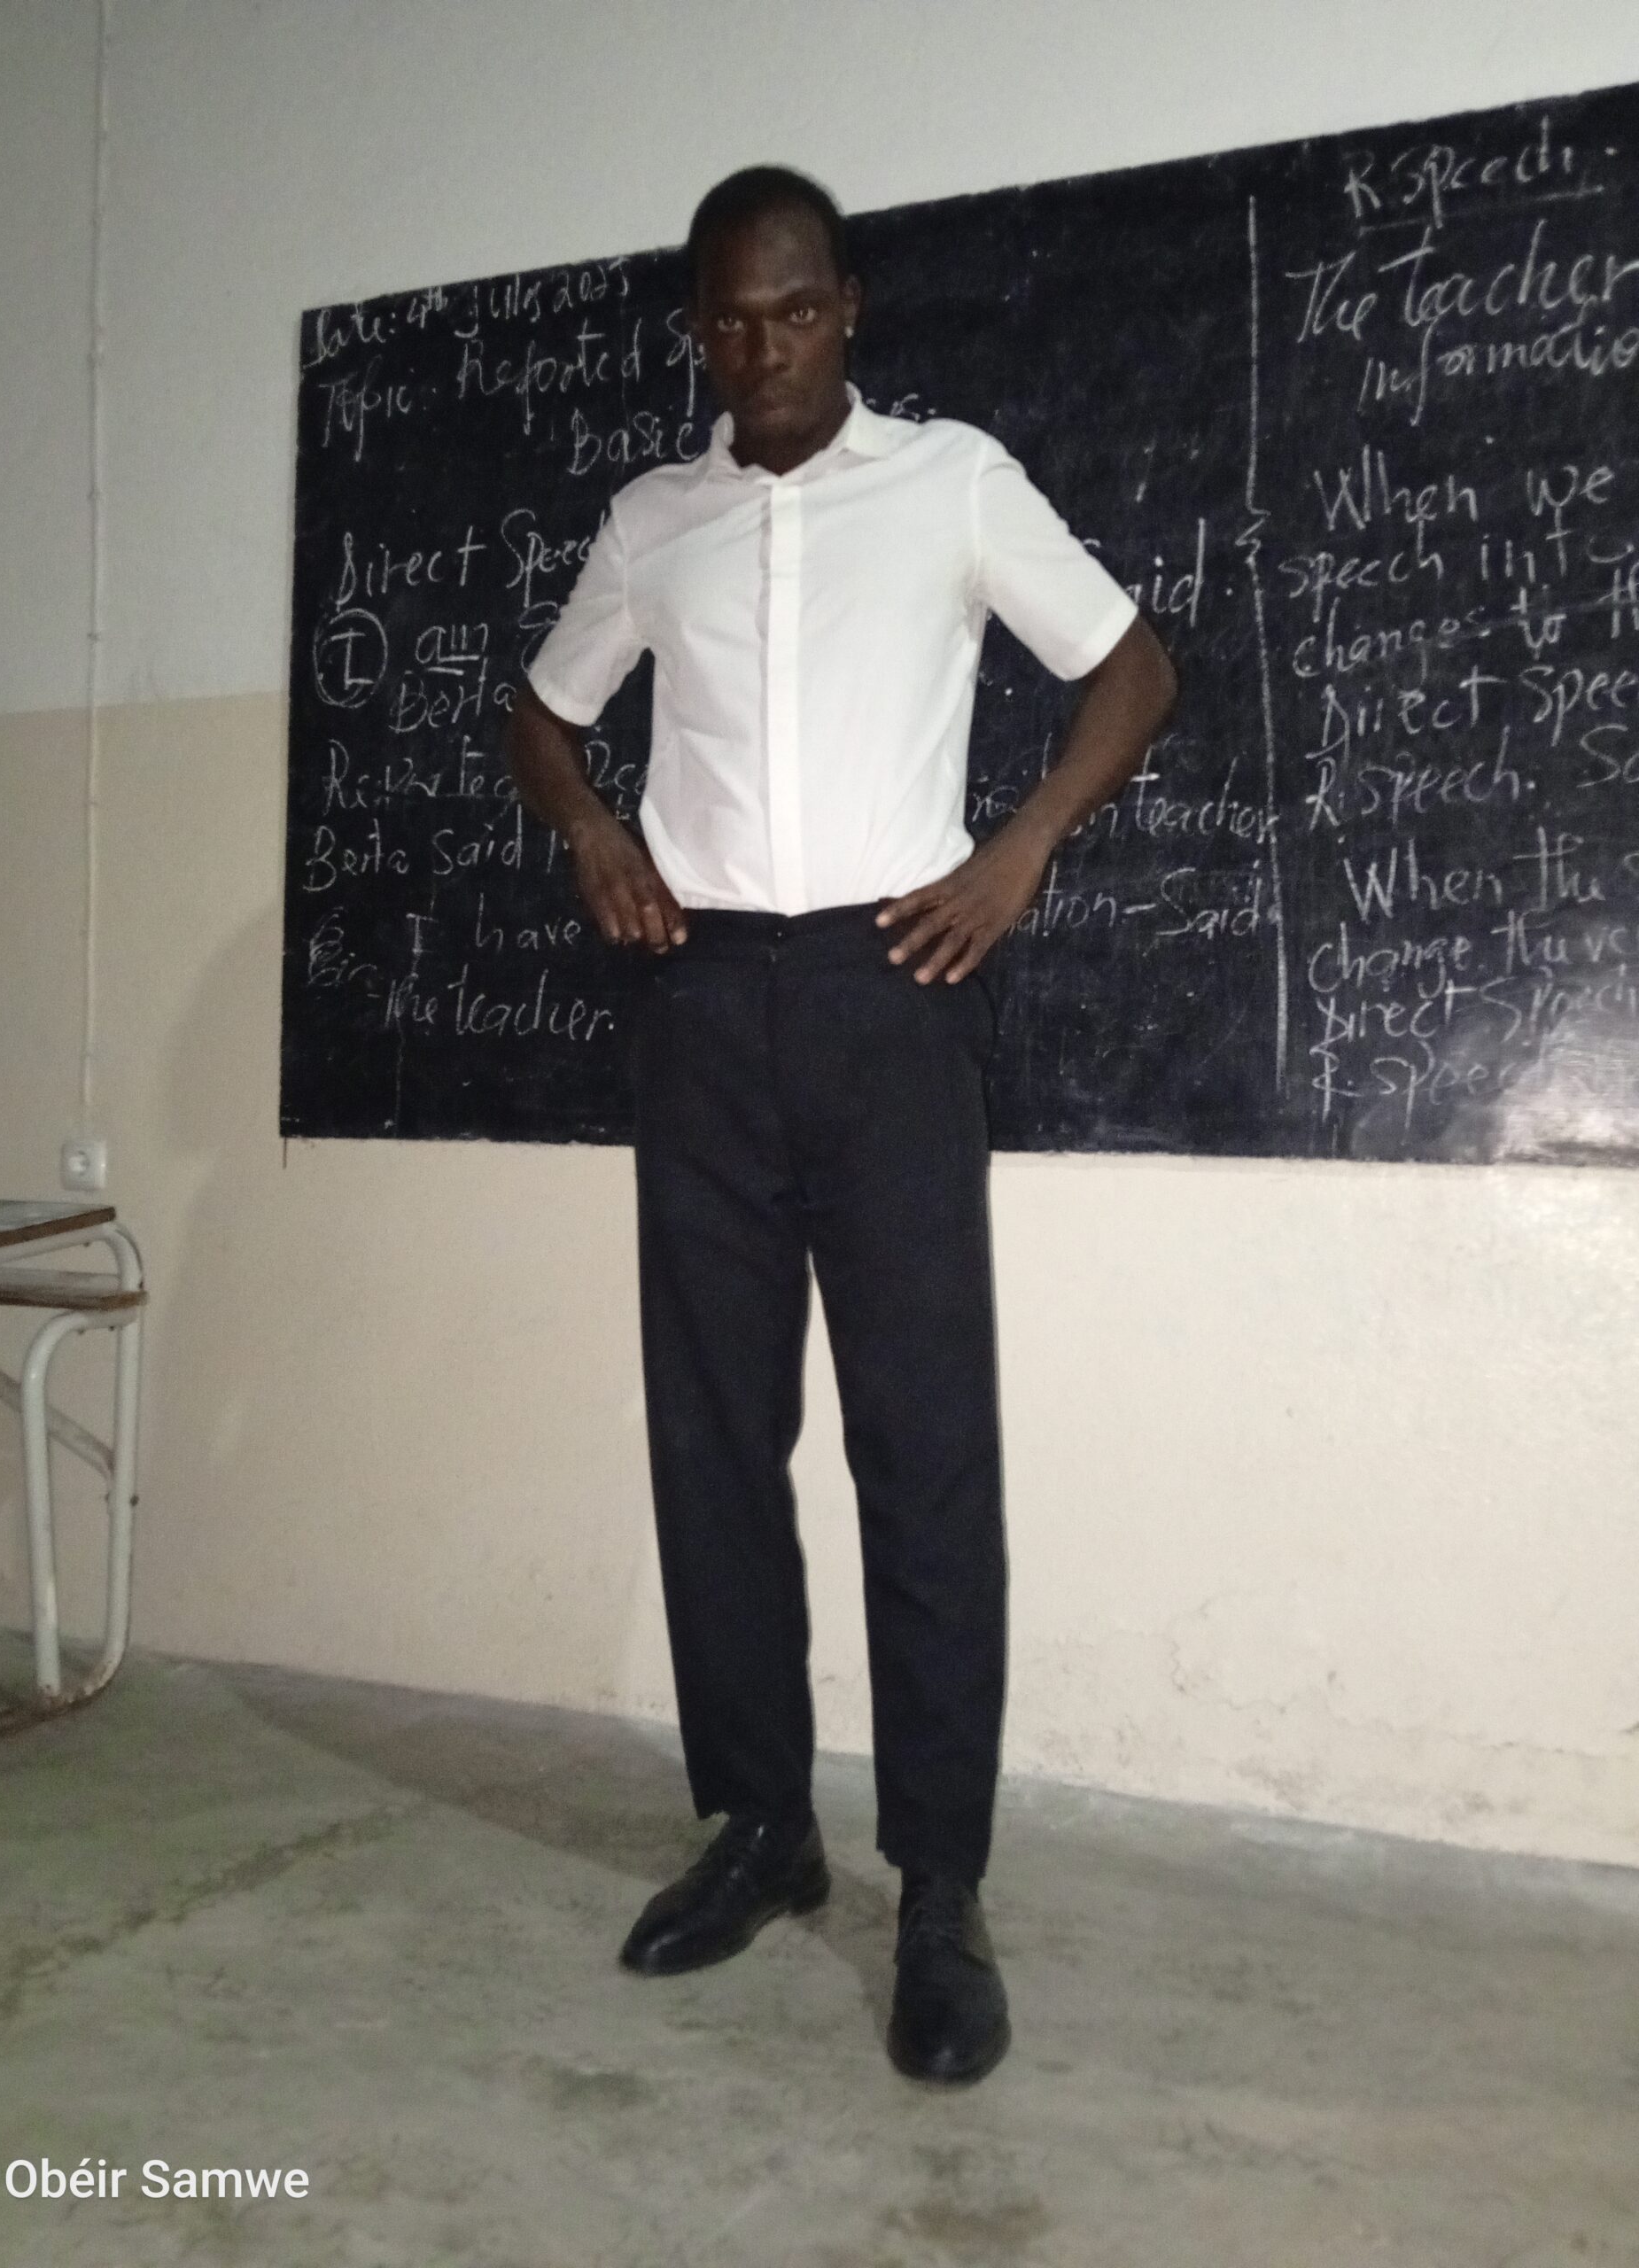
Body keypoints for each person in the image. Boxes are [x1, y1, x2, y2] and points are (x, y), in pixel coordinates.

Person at [509, 165, 1176, 2085]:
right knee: (716, 1437)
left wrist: (1019, 850)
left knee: (924, 1448)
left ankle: (939, 1886)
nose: (763, 349)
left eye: (793, 311)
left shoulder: (950, 482)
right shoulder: (655, 521)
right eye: (729, 320)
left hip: (895, 994)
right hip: (705, 1004)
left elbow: (1134, 669)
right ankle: (759, 1825)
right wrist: (591, 828)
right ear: (698, 331)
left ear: (850, 308)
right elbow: (542, 715)